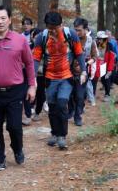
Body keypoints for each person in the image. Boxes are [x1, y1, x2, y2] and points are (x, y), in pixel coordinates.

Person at [0, 5, 36, 174]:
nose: (0, 21)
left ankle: (17, 148)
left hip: (16, 90)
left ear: (9, 20)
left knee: (14, 127)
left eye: (3, 18)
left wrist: (32, 86)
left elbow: (30, 63)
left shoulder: (20, 40)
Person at [33, 12, 86, 149]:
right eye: (50, 28)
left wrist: (84, 71)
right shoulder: (42, 37)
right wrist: (33, 77)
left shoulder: (70, 35)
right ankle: (54, 133)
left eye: (55, 28)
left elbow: (79, 53)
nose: (52, 31)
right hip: (50, 78)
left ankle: (62, 136)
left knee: (62, 104)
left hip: (66, 77)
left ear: (61, 25)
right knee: (52, 107)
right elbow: (36, 58)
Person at [69, 17, 98, 126]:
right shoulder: (70, 40)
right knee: (70, 94)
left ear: (85, 29)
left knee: (80, 96)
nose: (77, 32)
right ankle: (71, 110)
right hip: (69, 72)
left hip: (83, 73)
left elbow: (95, 57)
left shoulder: (91, 41)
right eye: (75, 29)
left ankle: (78, 116)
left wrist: (85, 64)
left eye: (79, 30)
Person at [31, 28, 47, 122]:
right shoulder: (29, 47)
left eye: (38, 37)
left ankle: (37, 112)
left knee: (40, 94)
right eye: (35, 37)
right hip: (30, 75)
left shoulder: (46, 48)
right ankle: (30, 110)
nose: (37, 39)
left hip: (41, 75)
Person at [21, 18, 35, 126]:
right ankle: (27, 113)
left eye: (28, 24)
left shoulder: (36, 37)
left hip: (34, 68)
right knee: (24, 90)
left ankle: (32, 109)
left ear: (31, 25)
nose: (26, 26)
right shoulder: (20, 37)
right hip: (22, 69)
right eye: (24, 24)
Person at [95, 31, 116, 102]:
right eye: (98, 38)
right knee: (102, 80)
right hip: (97, 65)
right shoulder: (96, 45)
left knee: (106, 79)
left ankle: (107, 94)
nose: (100, 40)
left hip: (106, 65)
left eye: (101, 38)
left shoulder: (109, 45)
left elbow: (112, 58)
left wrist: (110, 69)